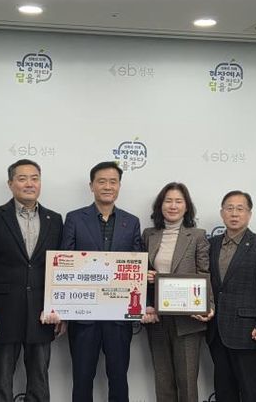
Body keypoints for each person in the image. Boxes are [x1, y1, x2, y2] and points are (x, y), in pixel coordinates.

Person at [0, 159, 64, 402]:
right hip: (4, 312)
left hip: (43, 313)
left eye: (35, 178)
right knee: (1, 380)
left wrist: (61, 310)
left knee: (40, 379)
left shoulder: (55, 219)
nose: (29, 184)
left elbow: (61, 269)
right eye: (22, 178)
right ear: (10, 183)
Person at [61, 161, 142, 402]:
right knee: (82, 378)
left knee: (118, 378)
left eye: (113, 182)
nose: (107, 186)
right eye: (102, 181)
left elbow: (136, 263)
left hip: (119, 316)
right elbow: (64, 261)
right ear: (91, 186)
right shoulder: (74, 218)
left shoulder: (131, 221)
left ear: (119, 186)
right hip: (83, 315)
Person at [140, 182, 212, 402]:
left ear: (186, 206)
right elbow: (140, 273)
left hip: (188, 319)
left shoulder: (197, 235)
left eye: (178, 201)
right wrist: (146, 284)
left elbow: (204, 273)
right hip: (157, 318)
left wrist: (208, 305)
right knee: (163, 382)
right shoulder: (149, 234)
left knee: (187, 382)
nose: (173, 206)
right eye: (168, 201)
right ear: (160, 205)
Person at [206, 190, 256, 402]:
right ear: (222, 213)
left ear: (249, 214)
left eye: (240, 209)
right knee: (223, 390)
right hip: (216, 331)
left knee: (249, 390)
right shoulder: (211, 244)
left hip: (248, 331)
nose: (234, 213)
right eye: (229, 208)